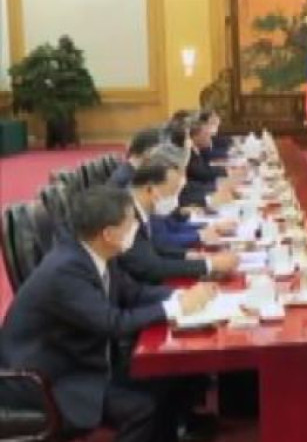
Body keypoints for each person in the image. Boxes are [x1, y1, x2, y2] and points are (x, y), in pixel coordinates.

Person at [0, 186, 216, 442]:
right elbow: (112, 323)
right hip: (50, 377)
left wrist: (181, 296)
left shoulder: (95, 251)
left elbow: (133, 293)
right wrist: (174, 309)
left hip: (81, 357)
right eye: (130, 222)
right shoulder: (65, 271)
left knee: (165, 376)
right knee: (141, 408)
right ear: (109, 234)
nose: (136, 226)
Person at [118, 162, 239, 284]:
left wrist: (187, 255)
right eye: (171, 192)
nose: (175, 199)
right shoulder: (126, 216)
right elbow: (153, 267)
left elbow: (156, 247)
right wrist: (209, 265)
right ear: (150, 189)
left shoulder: (144, 209)